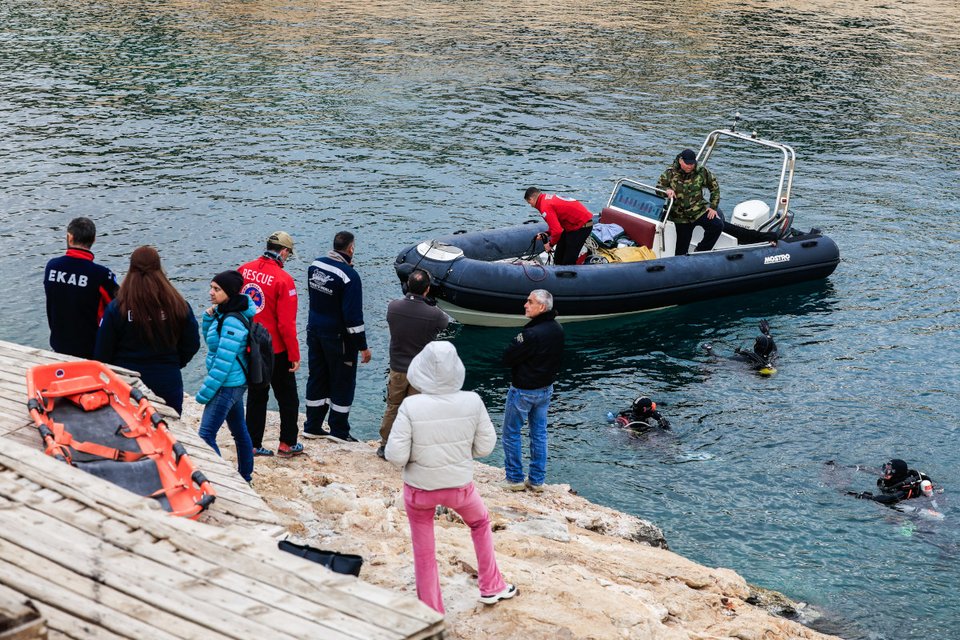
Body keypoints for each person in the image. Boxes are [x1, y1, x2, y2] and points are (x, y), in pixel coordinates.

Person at [385, 341, 517, 613]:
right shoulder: (473, 400)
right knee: (480, 523)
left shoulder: (411, 405)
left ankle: (431, 609)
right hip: (460, 487)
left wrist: (419, 458)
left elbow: (395, 455)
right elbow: (484, 448)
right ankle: (492, 586)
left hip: (420, 490)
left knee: (424, 548)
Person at [94, 246, 200, 415]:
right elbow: (192, 343)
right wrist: (174, 363)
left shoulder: (117, 308)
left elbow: (102, 353)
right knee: (169, 433)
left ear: (131, 269)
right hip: (167, 381)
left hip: (127, 383)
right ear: (159, 268)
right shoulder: (178, 305)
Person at [238, 231, 303, 458]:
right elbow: (286, 324)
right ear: (284, 252)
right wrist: (294, 353)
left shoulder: (243, 270)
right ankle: (287, 443)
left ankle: (253, 444)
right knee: (288, 398)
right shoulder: (284, 280)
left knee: (257, 396)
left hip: (250, 344)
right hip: (276, 349)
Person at [304, 231, 372, 441]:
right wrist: (363, 346)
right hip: (338, 338)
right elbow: (353, 317)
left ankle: (312, 425)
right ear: (351, 249)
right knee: (342, 380)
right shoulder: (349, 276)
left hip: (314, 331)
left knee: (317, 376)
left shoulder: (315, 265)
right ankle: (339, 431)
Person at [377, 269, 450, 459]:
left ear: (407, 286)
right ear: (427, 289)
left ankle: (385, 445)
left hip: (398, 368)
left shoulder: (393, 307)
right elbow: (445, 323)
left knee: (393, 406)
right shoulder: (435, 315)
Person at [501, 289, 564, 492]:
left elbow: (508, 357)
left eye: (530, 302)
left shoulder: (530, 334)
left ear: (542, 307)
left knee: (511, 433)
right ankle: (537, 480)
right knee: (539, 434)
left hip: (524, 390)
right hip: (545, 389)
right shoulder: (557, 329)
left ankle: (515, 479)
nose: (525, 305)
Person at [196, 270, 256, 484]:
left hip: (227, 384)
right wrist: (208, 317)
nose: (211, 292)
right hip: (234, 382)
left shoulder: (232, 321)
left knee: (204, 436)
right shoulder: (224, 312)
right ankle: (245, 478)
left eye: (217, 289)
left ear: (229, 292)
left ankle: (226, 482)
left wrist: (204, 393)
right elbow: (212, 344)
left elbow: (222, 361)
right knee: (240, 432)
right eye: (211, 287)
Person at [44, 216, 119, 358]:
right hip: (90, 350)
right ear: (94, 240)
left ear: (69, 238)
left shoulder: (52, 267)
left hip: (58, 345)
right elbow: (119, 306)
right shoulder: (101, 275)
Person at [656, 148, 723, 255]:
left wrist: (713, 207)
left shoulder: (702, 172)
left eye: (692, 164)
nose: (690, 166)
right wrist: (666, 191)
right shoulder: (670, 173)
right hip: (680, 216)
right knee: (681, 250)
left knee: (717, 225)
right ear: (680, 161)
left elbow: (714, 187)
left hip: (698, 211)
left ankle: (701, 250)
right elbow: (658, 188)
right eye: (687, 163)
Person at [523, 187, 594, 265]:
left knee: (568, 260)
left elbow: (557, 231)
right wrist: (547, 233)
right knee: (558, 256)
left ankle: (571, 272)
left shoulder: (545, 206)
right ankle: (558, 269)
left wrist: (550, 244)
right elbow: (556, 225)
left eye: (529, 203)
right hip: (571, 226)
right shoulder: (546, 200)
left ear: (531, 199)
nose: (531, 206)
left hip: (581, 227)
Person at [850, 459, 935, 505]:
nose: (886, 473)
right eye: (886, 470)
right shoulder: (891, 479)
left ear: (896, 473)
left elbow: (890, 499)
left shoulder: (904, 487)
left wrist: (868, 497)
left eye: (889, 471)